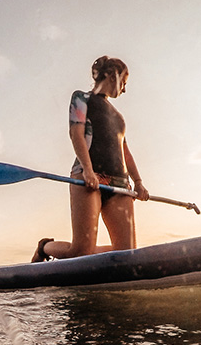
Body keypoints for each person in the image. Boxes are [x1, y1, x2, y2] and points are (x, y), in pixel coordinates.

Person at [32, 56, 149, 262]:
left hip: (120, 184)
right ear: (114, 75)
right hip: (88, 177)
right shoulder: (81, 98)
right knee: (81, 252)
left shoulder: (119, 117)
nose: (124, 89)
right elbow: (76, 133)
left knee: (127, 254)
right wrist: (87, 169)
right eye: (124, 83)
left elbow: (125, 152)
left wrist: (138, 183)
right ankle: (45, 248)